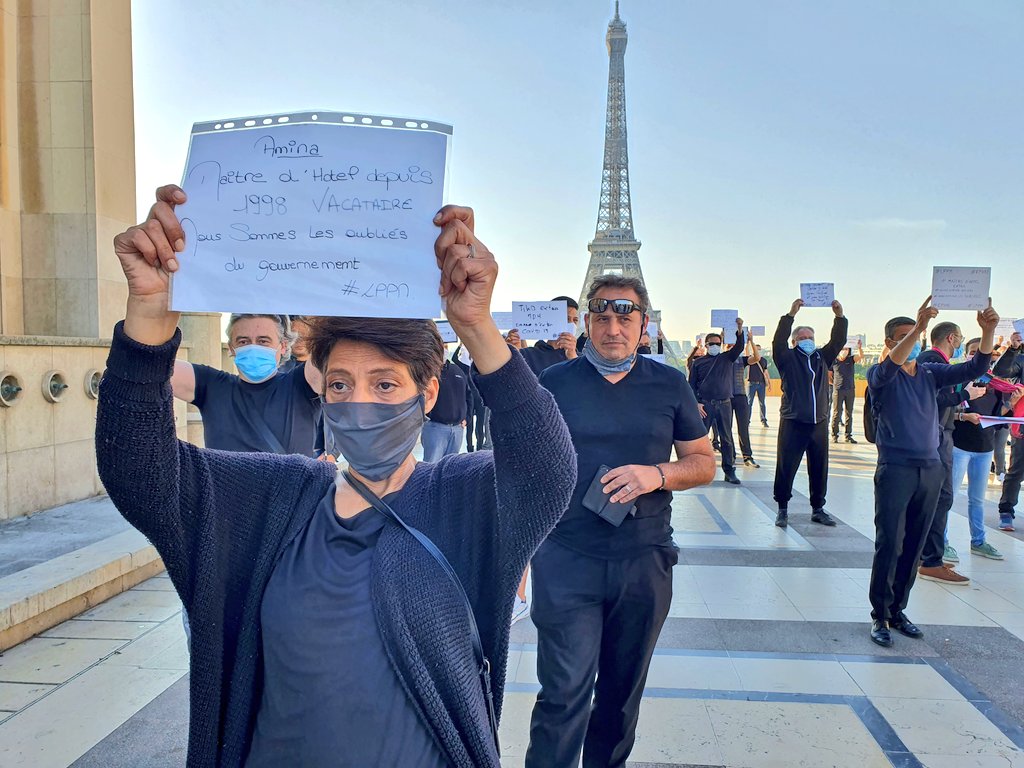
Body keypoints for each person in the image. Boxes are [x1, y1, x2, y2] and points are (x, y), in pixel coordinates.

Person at [99, 185, 576, 768]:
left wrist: (478, 329)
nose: (359, 404)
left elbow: (549, 471)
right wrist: (148, 319)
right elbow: (140, 473)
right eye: (340, 386)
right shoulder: (275, 497)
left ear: (427, 394)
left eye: (385, 384)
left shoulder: (463, 496)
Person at [526, 275, 715, 768]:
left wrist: (656, 474)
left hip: (644, 559)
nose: (614, 328)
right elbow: (525, 467)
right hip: (567, 558)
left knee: (620, 696)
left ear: (643, 324)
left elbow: (702, 461)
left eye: (625, 316)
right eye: (602, 317)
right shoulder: (554, 384)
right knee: (563, 692)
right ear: (587, 322)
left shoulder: (669, 383)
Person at [866, 297, 997, 648]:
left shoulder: (929, 373)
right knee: (890, 542)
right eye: (906, 336)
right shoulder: (881, 375)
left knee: (914, 544)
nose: (915, 341)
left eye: (917, 335)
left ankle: (898, 610)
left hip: (930, 468)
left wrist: (988, 332)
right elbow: (890, 365)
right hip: (896, 469)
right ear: (892, 342)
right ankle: (879, 613)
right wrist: (920, 328)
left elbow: (973, 368)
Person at [170, 312, 322, 455]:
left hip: (292, 483)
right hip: (226, 483)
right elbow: (155, 366)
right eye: (243, 341)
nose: (253, 347)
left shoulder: (302, 384)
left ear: (282, 346)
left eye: (263, 341)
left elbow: (337, 344)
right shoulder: (211, 386)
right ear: (231, 348)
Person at [771, 298, 848, 528]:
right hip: (793, 421)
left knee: (819, 466)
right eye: (802, 338)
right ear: (794, 341)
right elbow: (777, 341)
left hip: (819, 422)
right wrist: (790, 314)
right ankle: (782, 509)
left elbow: (838, 340)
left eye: (810, 338)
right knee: (786, 466)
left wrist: (839, 316)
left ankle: (818, 508)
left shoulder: (821, 357)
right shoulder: (786, 359)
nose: (807, 341)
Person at [916, 321, 976, 586]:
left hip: (942, 433)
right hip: (938, 437)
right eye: (961, 338)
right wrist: (964, 393)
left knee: (939, 497)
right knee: (941, 497)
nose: (960, 342)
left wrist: (962, 412)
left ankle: (928, 555)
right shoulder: (932, 360)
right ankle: (931, 560)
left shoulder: (934, 360)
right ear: (952, 338)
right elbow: (931, 400)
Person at [949, 337, 1020, 561]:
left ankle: (978, 541)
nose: (976, 357)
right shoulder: (958, 381)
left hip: (984, 449)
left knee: (977, 500)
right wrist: (963, 415)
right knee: (948, 497)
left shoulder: (996, 386)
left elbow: (999, 421)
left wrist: (1011, 404)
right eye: (972, 352)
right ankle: (941, 542)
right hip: (959, 446)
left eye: (981, 354)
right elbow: (943, 411)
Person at [689, 318, 750, 485]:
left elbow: (739, 347)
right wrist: (696, 403)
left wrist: (739, 328)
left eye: (718, 342)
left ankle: (729, 471)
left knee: (726, 438)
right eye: (712, 343)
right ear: (706, 345)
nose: (715, 345)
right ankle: (698, 470)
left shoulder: (726, 358)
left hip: (724, 403)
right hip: (705, 404)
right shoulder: (698, 363)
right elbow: (691, 385)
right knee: (700, 439)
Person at [995, 332, 1024, 530]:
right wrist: (1013, 349)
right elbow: (1002, 370)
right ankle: (1006, 510)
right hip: (1022, 424)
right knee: (1017, 470)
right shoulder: (1021, 359)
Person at [421, 356, 469, 462]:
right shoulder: (428, 372)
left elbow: (468, 395)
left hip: (457, 429)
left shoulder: (457, 371)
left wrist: (467, 417)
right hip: (435, 428)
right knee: (431, 465)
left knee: (450, 466)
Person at [522, 297, 581, 375]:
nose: (571, 324)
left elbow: (586, 384)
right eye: (566, 319)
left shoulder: (582, 359)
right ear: (550, 320)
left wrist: (572, 357)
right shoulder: (529, 354)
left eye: (575, 320)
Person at [732, 334, 760, 468]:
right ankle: (730, 455)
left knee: (743, 428)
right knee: (725, 429)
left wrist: (751, 342)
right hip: (725, 397)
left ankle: (747, 456)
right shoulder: (721, 360)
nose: (730, 347)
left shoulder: (741, 360)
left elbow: (757, 358)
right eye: (728, 344)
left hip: (740, 396)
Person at [831, 340, 863, 443]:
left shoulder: (851, 359)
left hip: (850, 389)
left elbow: (860, 356)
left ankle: (848, 435)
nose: (844, 351)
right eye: (843, 349)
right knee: (837, 413)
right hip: (838, 390)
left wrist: (859, 347)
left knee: (849, 413)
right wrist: (835, 384)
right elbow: (828, 375)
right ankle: (834, 434)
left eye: (846, 349)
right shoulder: (834, 361)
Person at [747, 345, 772, 428]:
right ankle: (747, 420)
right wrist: (749, 342)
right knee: (749, 403)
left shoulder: (764, 360)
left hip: (761, 384)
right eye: (756, 349)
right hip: (751, 384)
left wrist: (769, 383)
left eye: (759, 350)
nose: (758, 351)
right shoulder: (750, 359)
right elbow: (746, 351)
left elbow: (766, 372)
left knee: (762, 403)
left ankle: (763, 420)